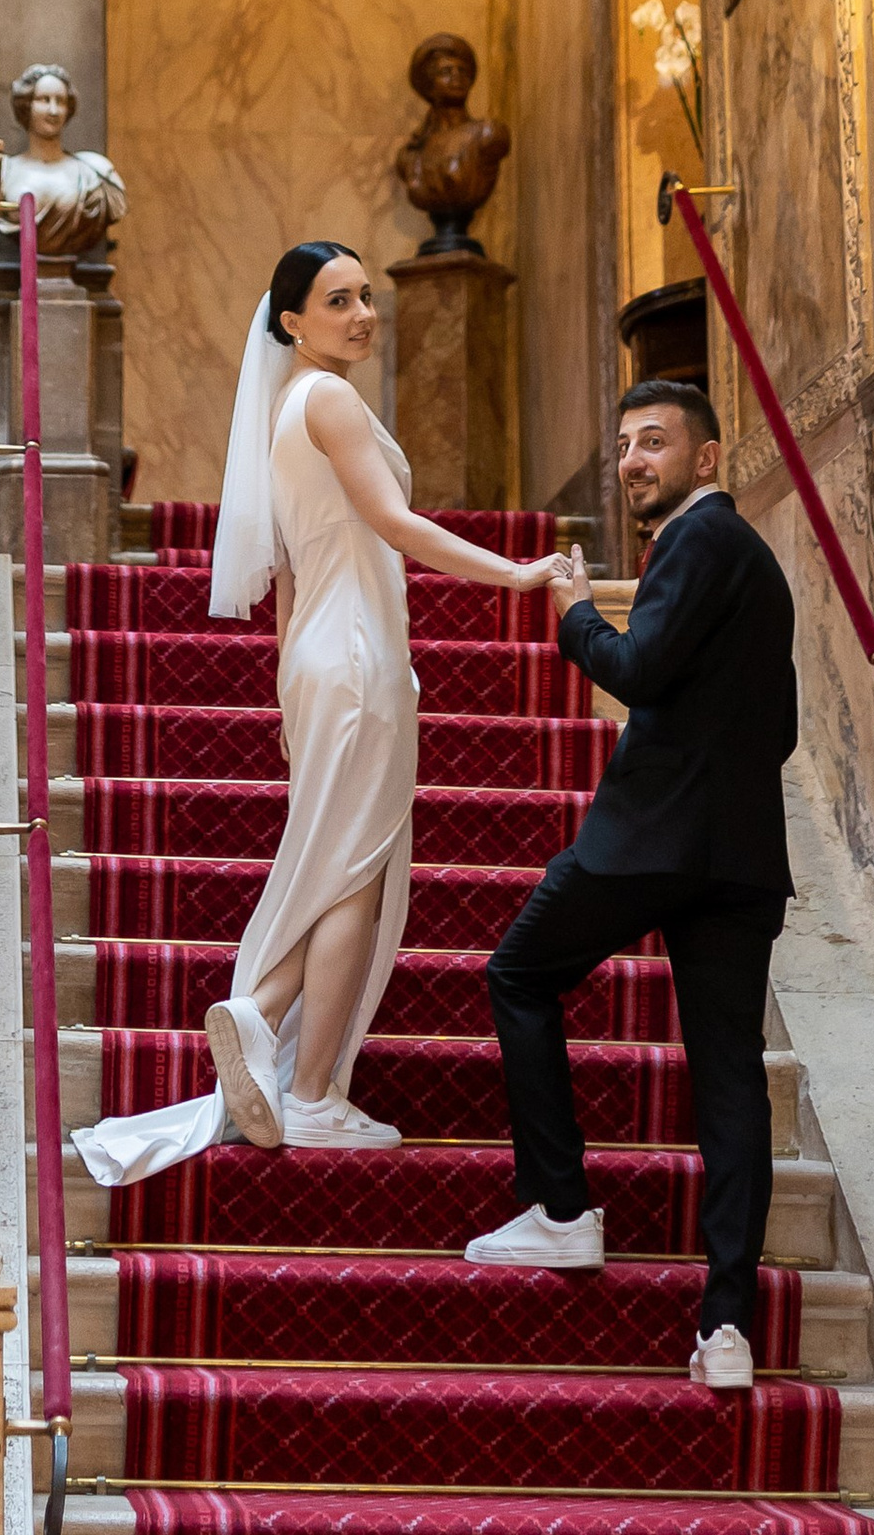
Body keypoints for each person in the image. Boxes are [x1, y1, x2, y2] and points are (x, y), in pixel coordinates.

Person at [74, 239, 573, 1183]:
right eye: (337, 301)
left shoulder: (283, 409)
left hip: (317, 657)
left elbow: (294, 576)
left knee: (340, 857)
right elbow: (392, 524)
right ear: (292, 321)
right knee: (355, 873)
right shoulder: (331, 399)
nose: (362, 315)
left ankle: (263, 1021)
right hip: (358, 655)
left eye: (366, 296)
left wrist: (288, 690)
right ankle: (307, 1092)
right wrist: (514, 573)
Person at [468, 374, 797, 1400]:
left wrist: (572, 614)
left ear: (706, 459)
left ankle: (562, 1211)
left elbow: (637, 669)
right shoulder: (755, 565)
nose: (629, 462)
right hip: (739, 857)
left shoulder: (698, 541)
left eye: (652, 443)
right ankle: (728, 1323)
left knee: (517, 973)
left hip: (648, 840)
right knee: (728, 1077)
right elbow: (777, 728)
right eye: (621, 445)